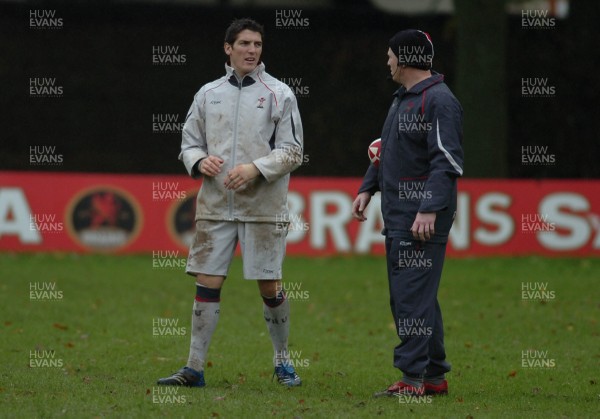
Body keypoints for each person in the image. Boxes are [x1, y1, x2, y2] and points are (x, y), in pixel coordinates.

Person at [157, 18, 304, 388]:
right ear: (228, 48)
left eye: (257, 44)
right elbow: (189, 143)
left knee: (269, 286)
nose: (252, 50)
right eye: (244, 44)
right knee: (207, 281)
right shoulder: (207, 93)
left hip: (263, 208)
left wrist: (254, 169)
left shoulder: (279, 94)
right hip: (216, 205)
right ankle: (193, 368)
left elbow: (293, 152)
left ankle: (283, 363)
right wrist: (197, 160)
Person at [352, 29, 464, 397]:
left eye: (390, 55)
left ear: (403, 58)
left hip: (420, 218)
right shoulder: (403, 98)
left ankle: (412, 380)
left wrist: (429, 208)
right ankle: (432, 376)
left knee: (410, 298)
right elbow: (386, 150)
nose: (387, 62)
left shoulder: (440, 102)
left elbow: (445, 162)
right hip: (401, 213)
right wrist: (368, 187)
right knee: (416, 297)